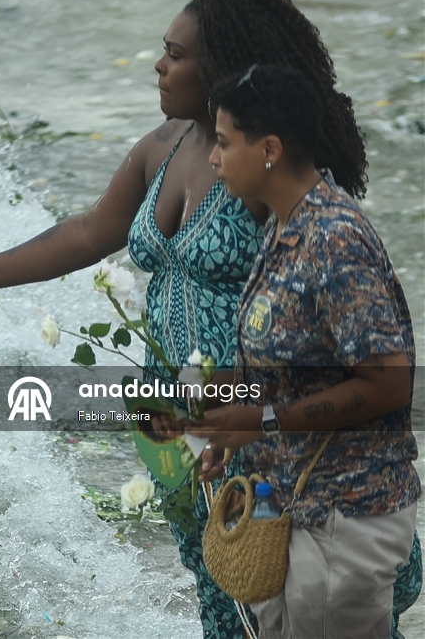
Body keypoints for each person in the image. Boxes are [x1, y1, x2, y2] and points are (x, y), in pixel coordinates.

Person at [0, 0, 420, 639]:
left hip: (261, 427)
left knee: (305, 599)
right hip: (173, 414)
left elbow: (348, 327)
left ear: (222, 70)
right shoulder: (163, 146)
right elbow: (90, 230)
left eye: (176, 54)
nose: (159, 63)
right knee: (220, 587)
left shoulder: (270, 173)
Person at [189, 64, 420, 639]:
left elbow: (390, 383)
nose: (213, 159)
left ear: (269, 148)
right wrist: (223, 425)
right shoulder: (281, 226)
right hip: (290, 505)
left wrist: (261, 421)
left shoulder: (334, 237)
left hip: (345, 515)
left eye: (222, 142)